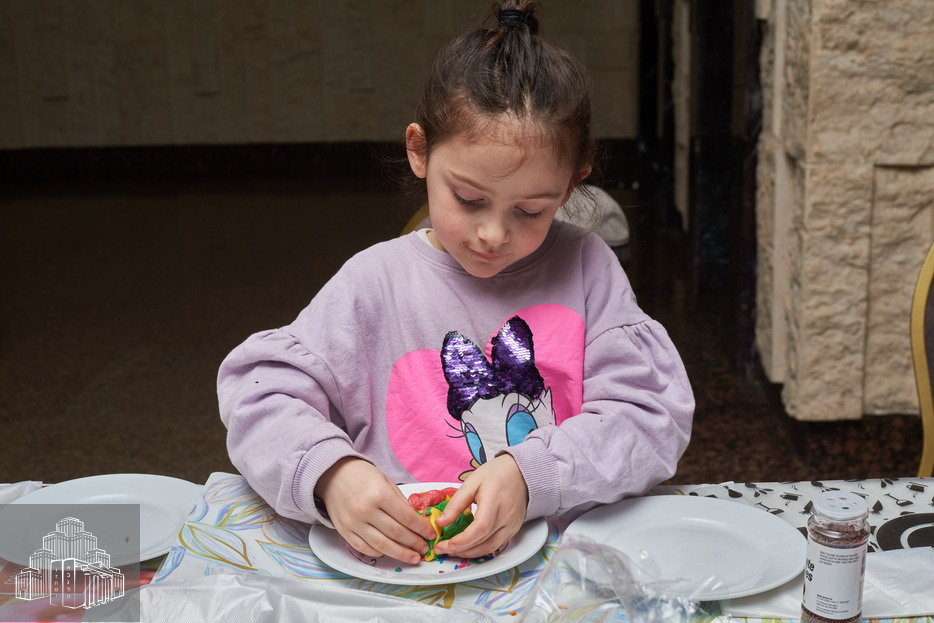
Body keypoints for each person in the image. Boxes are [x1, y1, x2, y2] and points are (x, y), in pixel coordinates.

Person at [217, 0, 693, 567]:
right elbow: (260, 394)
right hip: (398, 576)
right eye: (468, 199)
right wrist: (330, 472)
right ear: (419, 151)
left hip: (558, 575)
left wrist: (531, 473)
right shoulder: (374, 282)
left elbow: (649, 417)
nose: (493, 234)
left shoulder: (587, 268)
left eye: (531, 210)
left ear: (571, 186)